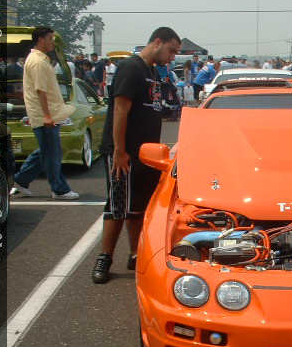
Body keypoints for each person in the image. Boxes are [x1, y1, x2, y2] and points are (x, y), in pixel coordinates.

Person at [92, 27, 181, 284]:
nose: (172, 57)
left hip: (146, 153)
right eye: (171, 51)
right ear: (157, 42)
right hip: (125, 153)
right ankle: (105, 258)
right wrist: (119, 151)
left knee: (139, 207)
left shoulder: (152, 72)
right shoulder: (131, 68)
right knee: (118, 206)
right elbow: (120, 110)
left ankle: (135, 254)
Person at [10, 27, 78, 200]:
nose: (52, 42)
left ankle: (21, 180)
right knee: (52, 154)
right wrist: (47, 116)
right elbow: (41, 91)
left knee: (47, 151)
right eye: (50, 38)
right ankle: (59, 189)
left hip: (46, 113)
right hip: (44, 115)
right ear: (41, 39)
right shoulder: (38, 62)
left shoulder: (39, 59)